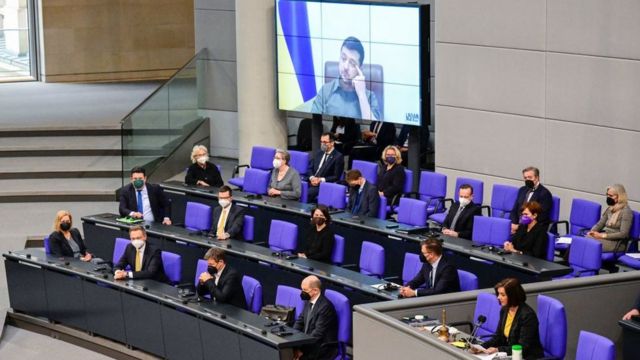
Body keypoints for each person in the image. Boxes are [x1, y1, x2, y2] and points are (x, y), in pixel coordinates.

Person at [311, 36, 381, 121]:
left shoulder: (370, 97)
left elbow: (374, 131)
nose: (345, 66)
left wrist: (362, 94)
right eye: (343, 58)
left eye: (352, 63)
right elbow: (314, 122)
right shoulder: (325, 91)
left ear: (360, 68)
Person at [478, 278, 544, 359]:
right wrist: (481, 347)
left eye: (502, 295)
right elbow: (498, 337)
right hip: (510, 355)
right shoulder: (505, 310)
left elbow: (522, 348)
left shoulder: (527, 315)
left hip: (527, 357)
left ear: (513, 296)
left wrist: (498, 349)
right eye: (498, 294)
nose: (498, 297)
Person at [293, 275, 339, 360]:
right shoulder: (308, 301)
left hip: (322, 347)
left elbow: (318, 334)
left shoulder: (325, 307)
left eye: (305, 290)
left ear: (315, 290)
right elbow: (300, 321)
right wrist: (292, 339)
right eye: (302, 289)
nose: (302, 293)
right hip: (309, 341)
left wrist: (301, 350)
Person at [587, 184, 633, 253]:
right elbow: (600, 224)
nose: (608, 197)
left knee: (589, 244)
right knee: (585, 240)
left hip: (617, 243)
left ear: (619, 197)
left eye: (611, 196)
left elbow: (623, 234)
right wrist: (592, 232)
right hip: (605, 238)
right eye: (607, 195)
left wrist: (603, 235)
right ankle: (569, 261)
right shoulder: (610, 208)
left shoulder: (626, 211)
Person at [510, 166, 552, 234]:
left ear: (537, 177)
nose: (527, 180)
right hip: (517, 226)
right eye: (525, 178)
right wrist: (513, 224)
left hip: (532, 228)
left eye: (530, 177)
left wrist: (519, 227)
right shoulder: (522, 190)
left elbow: (542, 217)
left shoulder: (545, 194)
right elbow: (515, 210)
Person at [307, 133, 345, 202]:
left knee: (306, 194)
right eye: (321, 142)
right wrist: (312, 177)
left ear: (332, 143)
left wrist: (320, 180)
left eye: (325, 142)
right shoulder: (318, 152)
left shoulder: (338, 157)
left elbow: (336, 176)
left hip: (323, 185)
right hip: (311, 180)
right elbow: (310, 168)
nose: (322, 144)